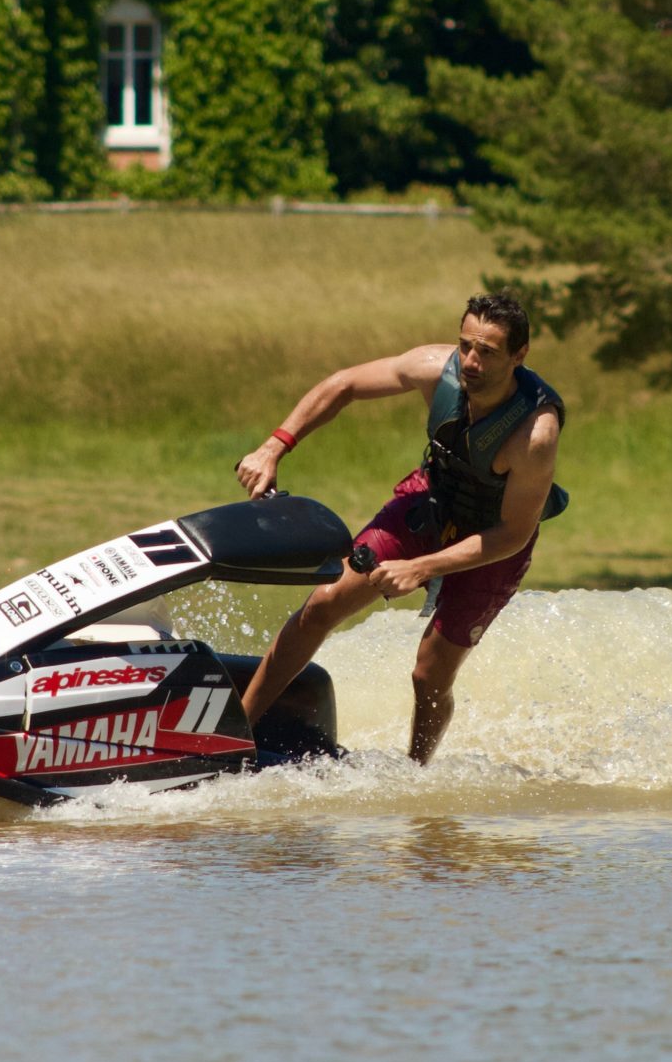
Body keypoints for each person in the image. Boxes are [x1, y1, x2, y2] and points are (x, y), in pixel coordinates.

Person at [234, 292, 568, 763]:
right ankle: (233, 739)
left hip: (489, 542)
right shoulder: (435, 367)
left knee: (429, 675)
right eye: (466, 345)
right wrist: (274, 447)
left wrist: (420, 567)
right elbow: (345, 384)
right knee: (324, 603)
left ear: (519, 355)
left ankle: (414, 774)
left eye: (488, 352)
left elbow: (512, 534)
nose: (471, 362)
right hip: (429, 502)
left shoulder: (535, 432)